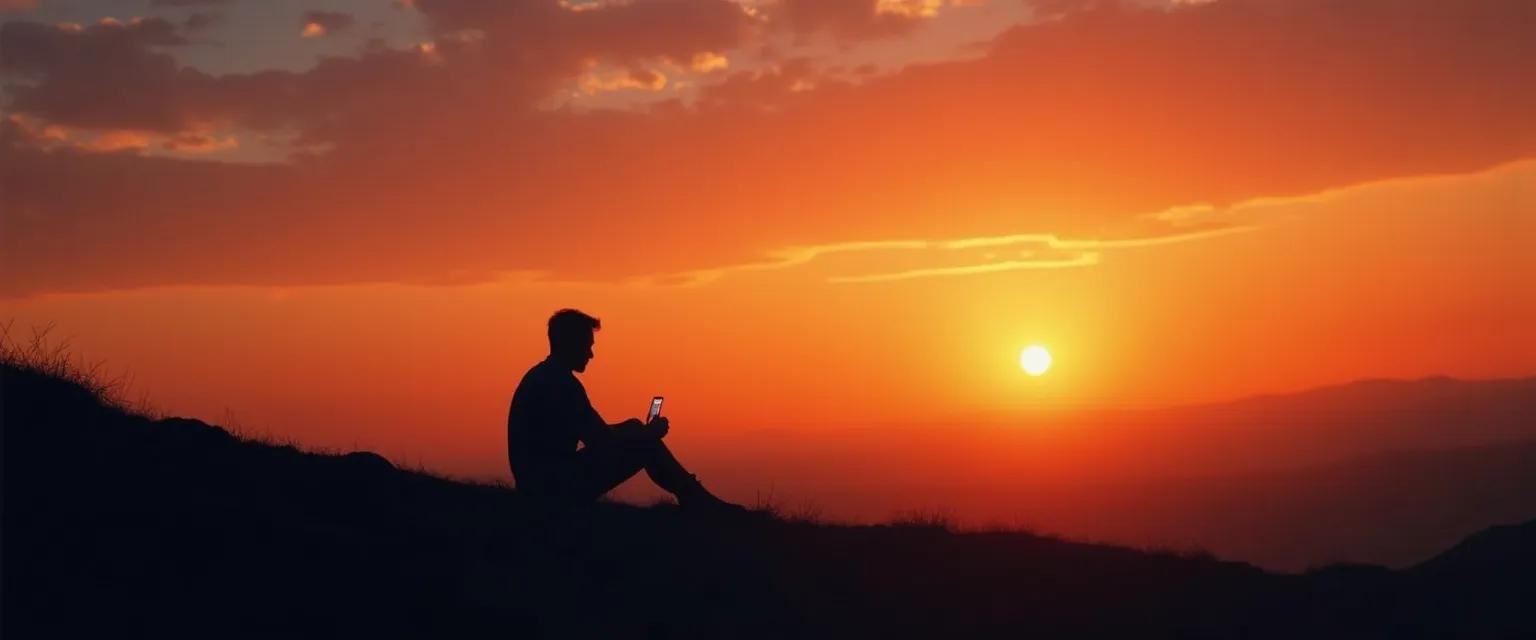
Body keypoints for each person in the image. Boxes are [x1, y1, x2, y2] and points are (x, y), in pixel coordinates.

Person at [507, 309, 745, 513]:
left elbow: (593, 431)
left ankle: (693, 495)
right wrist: (647, 434)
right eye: (587, 346)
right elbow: (600, 440)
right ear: (571, 344)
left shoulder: (543, 376)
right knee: (647, 445)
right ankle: (696, 499)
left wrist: (632, 427)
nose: (591, 354)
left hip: (541, 481)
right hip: (551, 487)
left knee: (636, 430)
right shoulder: (561, 384)